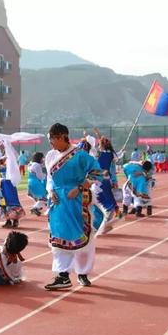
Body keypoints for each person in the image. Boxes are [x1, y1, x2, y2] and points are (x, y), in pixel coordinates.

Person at [43, 123, 102, 291]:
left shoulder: (80, 155)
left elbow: (98, 173)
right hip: (58, 202)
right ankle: (62, 275)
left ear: (62, 136)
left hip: (77, 200)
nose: (51, 143)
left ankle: (83, 272)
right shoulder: (50, 156)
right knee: (59, 236)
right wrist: (50, 192)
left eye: (52, 139)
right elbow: (49, 179)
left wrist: (81, 187)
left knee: (82, 236)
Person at [91, 136, 123, 233]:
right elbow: (112, 170)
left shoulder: (98, 154)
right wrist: (114, 181)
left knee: (99, 201)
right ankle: (107, 220)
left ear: (101, 145)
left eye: (99, 144)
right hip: (105, 180)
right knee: (105, 200)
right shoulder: (111, 155)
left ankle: (101, 224)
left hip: (98, 180)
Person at [0, 142, 25, 228]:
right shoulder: (1, 160)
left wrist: (7, 145)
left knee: (12, 201)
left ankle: (15, 220)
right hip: (2, 184)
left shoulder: (12, 162)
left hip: (9, 184)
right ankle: (8, 220)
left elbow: (15, 156)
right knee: (3, 202)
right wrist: (1, 142)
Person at [28, 152, 47, 216]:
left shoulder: (31, 164)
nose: (43, 159)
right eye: (42, 157)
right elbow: (40, 177)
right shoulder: (37, 165)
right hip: (35, 182)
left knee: (42, 197)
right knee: (45, 197)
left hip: (31, 181)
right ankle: (35, 207)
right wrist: (46, 175)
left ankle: (36, 207)